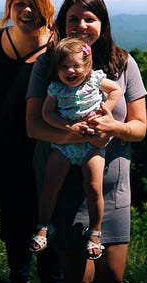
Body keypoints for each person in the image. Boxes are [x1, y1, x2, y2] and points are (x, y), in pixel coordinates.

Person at [26, 0, 147, 283]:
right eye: (73, 19)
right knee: (79, 282)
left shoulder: (123, 64)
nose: (81, 25)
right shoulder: (49, 64)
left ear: (102, 24)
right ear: (62, 23)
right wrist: (79, 135)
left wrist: (113, 127)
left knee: (112, 278)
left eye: (89, 18)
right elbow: (34, 125)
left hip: (114, 189)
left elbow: (139, 128)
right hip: (67, 185)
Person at [0, 0, 63, 283]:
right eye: (20, 3)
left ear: (47, 9)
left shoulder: (57, 49)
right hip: (3, 154)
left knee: (49, 224)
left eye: (34, 4)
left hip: (45, 153)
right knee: (14, 227)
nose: (26, 10)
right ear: (10, 6)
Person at [31, 37, 123, 262]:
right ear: (57, 69)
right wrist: (68, 127)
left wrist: (104, 111)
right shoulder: (56, 88)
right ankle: (43, 227)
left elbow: (116, 90)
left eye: (76, 65)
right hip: (64, 145)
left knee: (93, 188)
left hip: (92, 145)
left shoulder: (95, 80)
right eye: (64, 66)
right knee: (50, 184)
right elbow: (46, 113)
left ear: (87, 65)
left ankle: (95, 232)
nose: (70, 71)